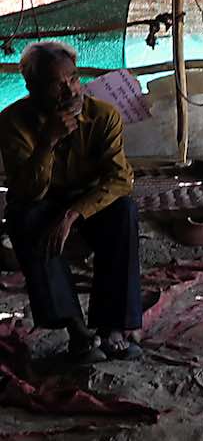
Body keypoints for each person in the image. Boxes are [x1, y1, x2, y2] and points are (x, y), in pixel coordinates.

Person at [0, 41, 141, 363]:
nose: (70, 91)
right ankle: (77, 330)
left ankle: (112, 327)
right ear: (32, 87)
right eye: (56, 84)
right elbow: (28, 191)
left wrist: (71, 216)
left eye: (74, 79)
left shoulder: (103, 116)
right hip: (40, 201)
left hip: (85, 202)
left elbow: (120, 179)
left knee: (124, 211)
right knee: (24, 217)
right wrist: (47, 142)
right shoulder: (12, 123)